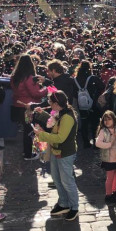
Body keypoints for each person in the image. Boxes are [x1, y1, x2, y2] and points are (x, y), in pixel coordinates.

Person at [33, 91, 80, 221]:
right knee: (57, 179)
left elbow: (60, 137)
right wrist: (42, 114)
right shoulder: (60, 113)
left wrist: (41, 134)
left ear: (56, 103)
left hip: (65, 152)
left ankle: (74, 207)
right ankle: (64, 203)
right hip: (56, 151)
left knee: (67, 181)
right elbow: (53, 123)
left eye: (50, 103)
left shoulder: (68, 117)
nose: (49, 105)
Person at [10, 54, 47, 160]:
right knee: (31, 130)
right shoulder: (29, 77)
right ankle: (29, 154)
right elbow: (36, 94)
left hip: (19, 105)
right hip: (30, 107)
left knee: (27, 130)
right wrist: (46, 89)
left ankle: (26, 152)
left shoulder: (14, 76)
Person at [73, 60, 104, 148]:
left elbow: (74, 93)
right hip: (93, 103)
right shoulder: (92, 78)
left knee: (84, 123)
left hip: (81, 104)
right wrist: (95, 94)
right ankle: (95, 142)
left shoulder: (75, 79)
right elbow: (102, 86)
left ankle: (85, 142)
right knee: (95, 123)